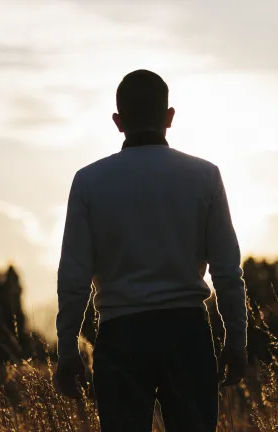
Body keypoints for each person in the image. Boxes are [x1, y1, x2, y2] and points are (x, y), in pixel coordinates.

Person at [54, 69, 248, 431]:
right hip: (187, 333)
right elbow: (226, 270)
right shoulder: (205, 176)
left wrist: (67, 349)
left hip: (120, 336)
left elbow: (74, 276)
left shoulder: (89, 182)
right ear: (169, 117)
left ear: (118, 121)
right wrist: (236, 339)